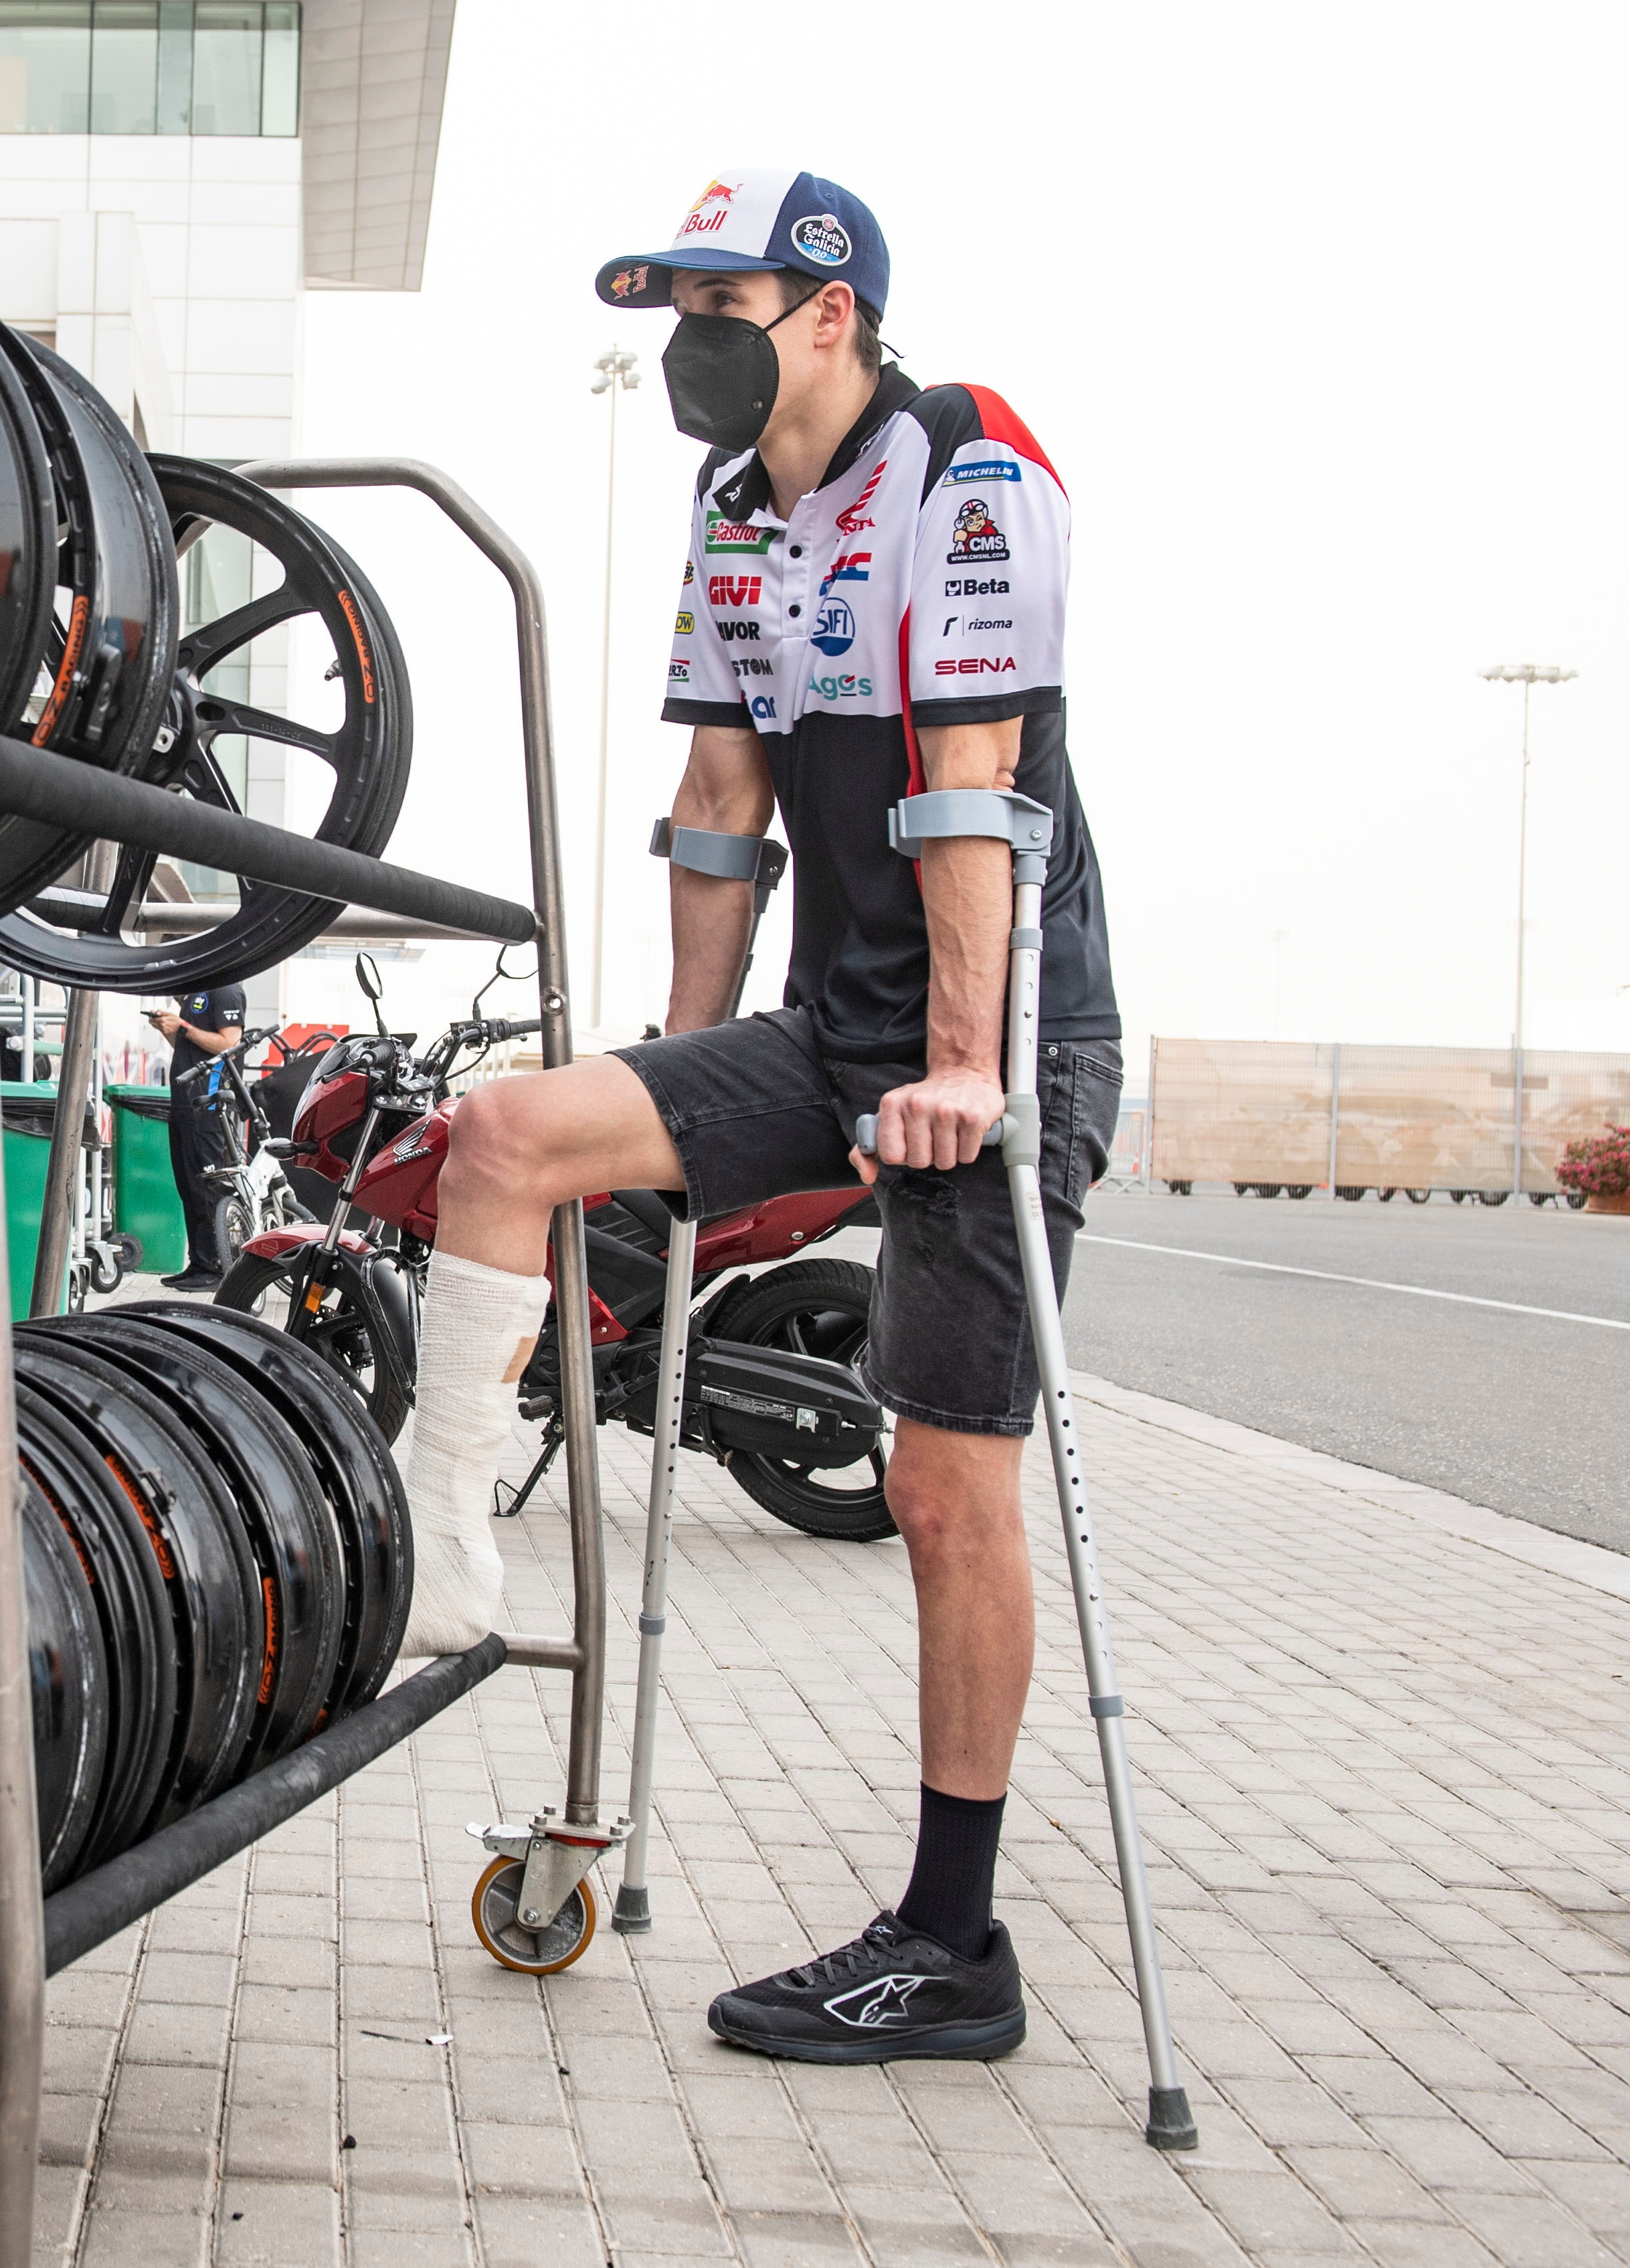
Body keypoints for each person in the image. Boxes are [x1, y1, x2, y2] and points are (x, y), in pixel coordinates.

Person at [397, 168, 1122, 2066]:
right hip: (827, 1022)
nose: (685, 342)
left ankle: (950, 1943)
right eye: (672, 307)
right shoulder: (736, 513)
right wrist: (675, 1085)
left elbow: (973, 784)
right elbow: (722, 799)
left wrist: (961, 1068)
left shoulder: (970, 465)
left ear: (829, 311)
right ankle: (439, 1545)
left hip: (1001, 1037)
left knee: (940, 1488)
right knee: (506, 1135)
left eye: (718, 301)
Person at [149, 982, 246, 1290]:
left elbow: (229, 1043)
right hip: (184, 1102)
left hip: (210, 1105)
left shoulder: (227, 989)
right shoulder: (196, 993)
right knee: (188, 1187)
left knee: (208, 1187)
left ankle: (218, 1268)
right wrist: (170, 1029)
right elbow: (188, 1047)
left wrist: (184, 1027)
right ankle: (200, 1262)